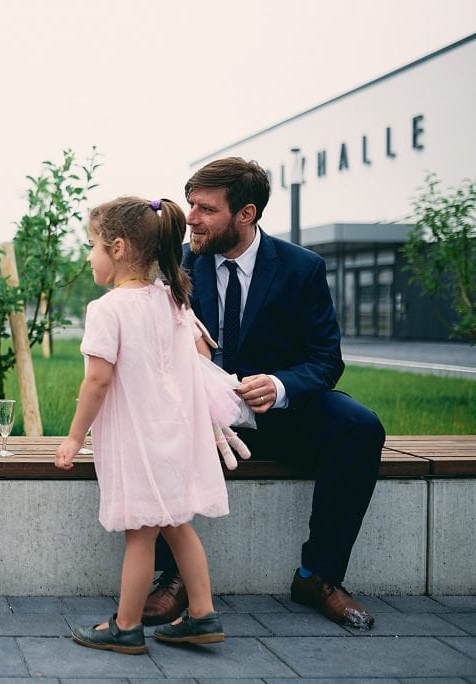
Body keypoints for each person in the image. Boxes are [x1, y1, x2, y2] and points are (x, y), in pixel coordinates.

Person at [143, 157, 385, 630]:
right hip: (203, 417)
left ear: (246, 214)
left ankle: (319, 576)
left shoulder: (302, 268)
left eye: (205, 209)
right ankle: (172, 577)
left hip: (281, 414)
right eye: (190, 204)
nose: (191, 217)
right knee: (159, 426)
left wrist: (279, 385)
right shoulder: (181, 265)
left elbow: (325, 359)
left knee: (360, 427)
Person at [56, 196, 229, 655]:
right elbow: (200, 358)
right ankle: (202, 612)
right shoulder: (173, 299)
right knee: (177, 523)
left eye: (91, 245)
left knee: (141, 533)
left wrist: (75, 437)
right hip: (175, 433)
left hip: (138, 438)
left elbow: (97, 380)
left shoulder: (108, 309)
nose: (88, 255)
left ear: (116, 247)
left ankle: (126, 626)